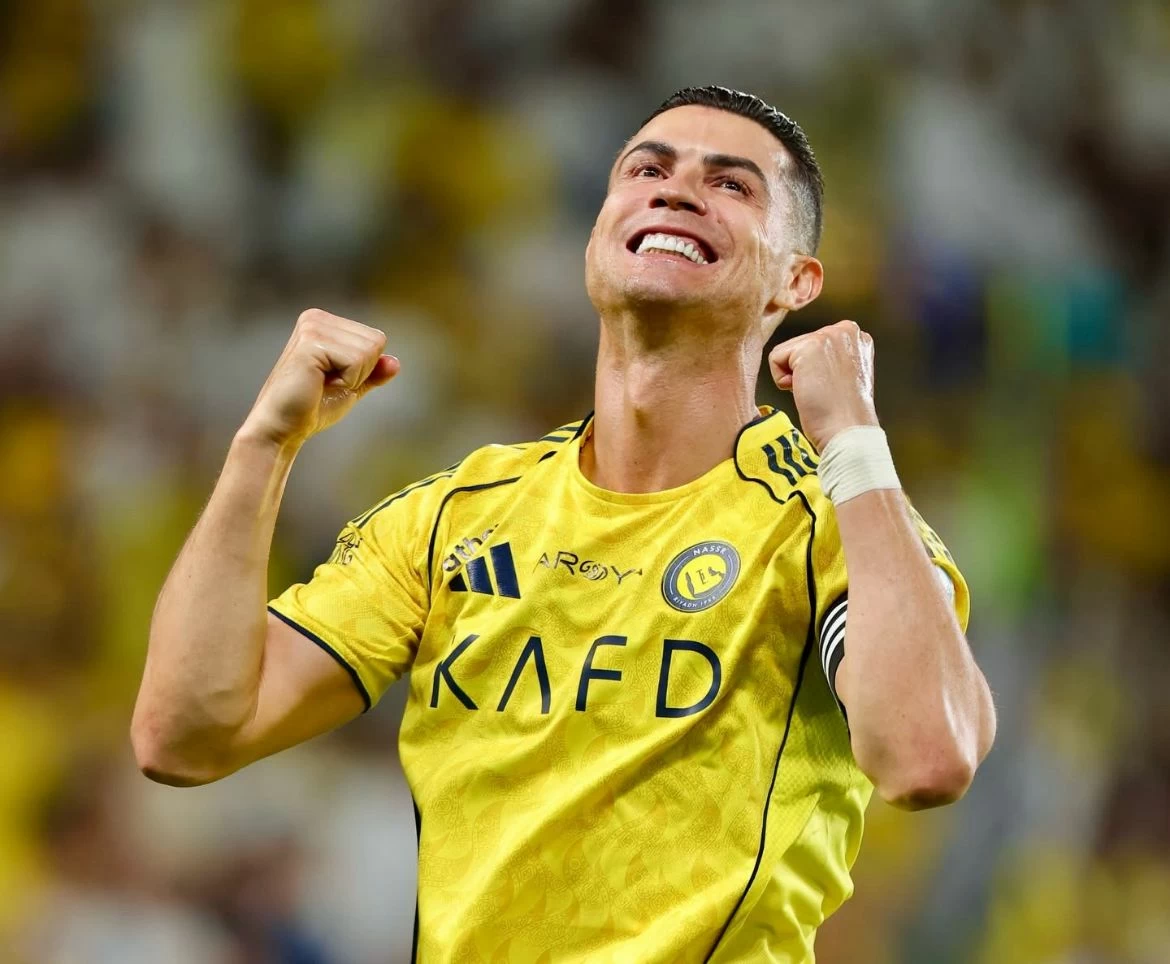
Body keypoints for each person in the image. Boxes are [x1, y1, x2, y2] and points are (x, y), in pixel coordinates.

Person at [132, 85, 996, 962]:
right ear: (597, 236)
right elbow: (185, 736)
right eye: (646, 170)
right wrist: (264, 444)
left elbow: (925, 757)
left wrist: (853, 441)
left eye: (731, 184)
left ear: (796, 281)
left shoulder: (826, 524)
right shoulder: (456, 517)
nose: (675, 190)